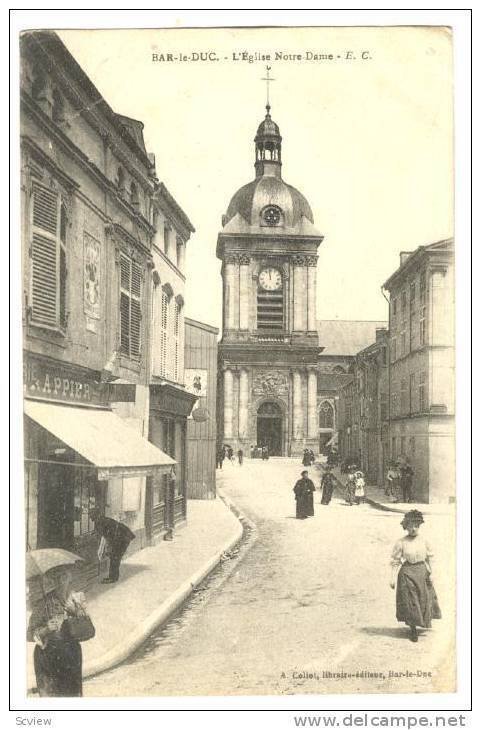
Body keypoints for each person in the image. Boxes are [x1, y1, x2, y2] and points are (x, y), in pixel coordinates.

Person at [27, 567, 87, 696]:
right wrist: (46, 629)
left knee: (72, 696)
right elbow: (29, 634)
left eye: (64, 576)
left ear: (69, 578)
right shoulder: (43, 604)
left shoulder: (76, 598)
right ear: (53, 580)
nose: (61, 581)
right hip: (49, 657)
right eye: (57, 577)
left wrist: (76, 613)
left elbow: (87, 630)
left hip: (72, 656)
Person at [390, 510, 441, 642]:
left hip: (422, 572)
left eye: (416, 526)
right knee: (410, 601)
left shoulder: (424, 541)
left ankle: (423, 623)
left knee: (423, 599)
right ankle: (413, 629)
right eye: (410, 526)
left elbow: (430, 558)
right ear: (405, 526)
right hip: (407, 573)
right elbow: (395, 561)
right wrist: (392, 577)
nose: (413, 529)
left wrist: (432, 573)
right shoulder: (401, 542)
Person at [90, 509, 136, 583]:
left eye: (91, 515)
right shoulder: (102, 520)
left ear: (96, 516)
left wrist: (105, 549)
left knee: (115, 557)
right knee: (114, 556)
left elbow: (107, 537)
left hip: (122, 537)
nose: (90, 517)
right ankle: (114, 577)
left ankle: (113, 578)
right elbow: (106, 535)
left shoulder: (101, 522)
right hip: (122, 536)